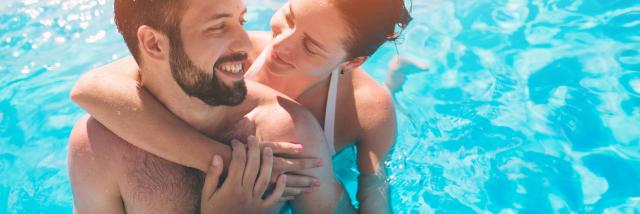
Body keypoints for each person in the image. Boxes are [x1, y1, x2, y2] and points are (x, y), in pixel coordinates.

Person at [71, 0, 412, 212]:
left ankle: (396, 78)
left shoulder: (366, 112)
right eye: (290, 17)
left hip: (331, 161)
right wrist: (231, 164)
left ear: (352, 63)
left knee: (389, 93)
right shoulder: (226, 55)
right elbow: (89, 89)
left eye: (309, 46)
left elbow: (375, 192)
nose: (280, 43)